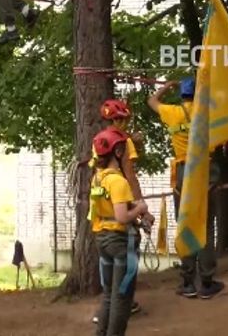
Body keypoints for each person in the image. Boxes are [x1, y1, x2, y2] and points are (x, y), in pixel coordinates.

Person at [149, 77, 224, 299]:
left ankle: (188, 281)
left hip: (183, 170)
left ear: (182, 94)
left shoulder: (172, 112)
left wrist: (166, 86)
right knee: (206, 224)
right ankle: (207, 282)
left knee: (186, 225)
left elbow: (151, 100)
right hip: (206, 169)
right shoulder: (209, 113)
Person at [91, 99, 152, 323]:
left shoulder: (98, 141)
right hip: (121, 205)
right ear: (118, 119)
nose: (126, 124)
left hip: (101, 215)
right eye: (124, 119)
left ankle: (104, 316)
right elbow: (130, 175)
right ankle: (120, 310)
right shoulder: (122, 143)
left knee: (109, 287)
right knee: (121, 287)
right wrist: (142, 209)